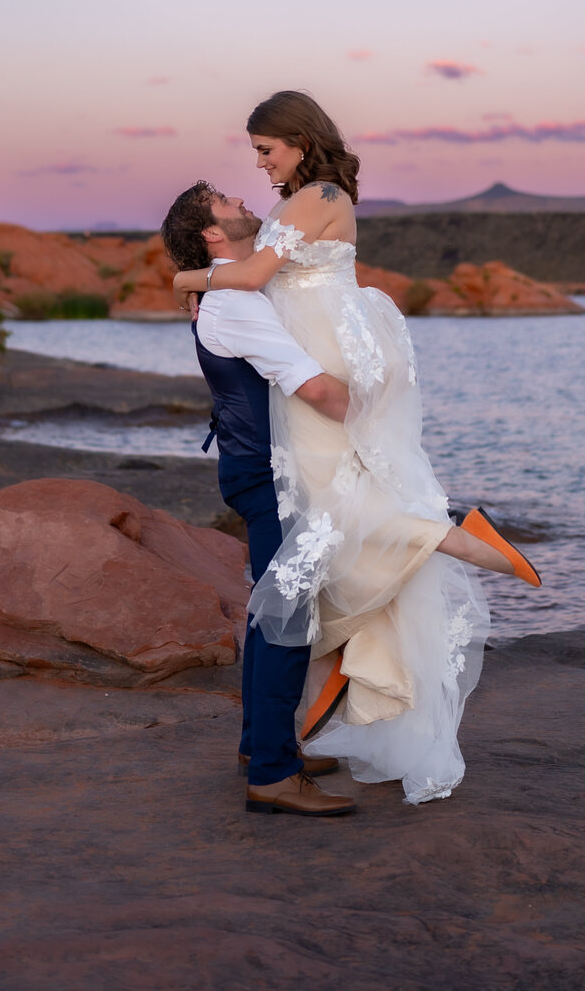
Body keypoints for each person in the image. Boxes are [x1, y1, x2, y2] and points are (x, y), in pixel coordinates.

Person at [171, 91, 541, 806]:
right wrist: (208, 280)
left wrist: (189, 276)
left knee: (320, 541)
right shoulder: (260, 257)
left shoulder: (316, 196)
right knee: (310, 563)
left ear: (301, 141)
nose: (256, 166)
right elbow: (257, 291)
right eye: (249, 159)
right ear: (213, 233)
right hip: (289, 417)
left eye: (265, 149)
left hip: (316, 370)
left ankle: (276, 741)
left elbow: (255, 280)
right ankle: (280, 748)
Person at [161, 181, 359, 818]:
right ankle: (274, 774)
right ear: (212, 234)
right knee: (286, 614)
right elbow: (313, 389)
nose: (242, 198)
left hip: (252, 466)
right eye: (224, 199)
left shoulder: (229, 287)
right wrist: (378, 419)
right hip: (269, 474)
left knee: (267, 607)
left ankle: (261, 745)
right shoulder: (236, 303)